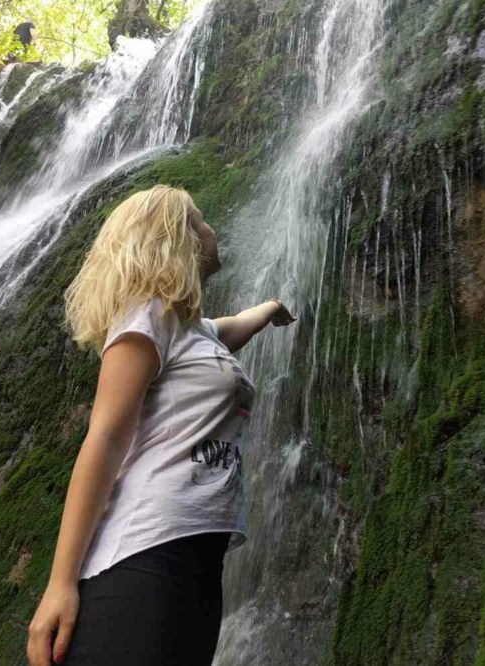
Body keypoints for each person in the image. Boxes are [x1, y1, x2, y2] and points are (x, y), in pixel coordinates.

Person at [25, 184, 297, 666]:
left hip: (197, 558)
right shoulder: (148, 314)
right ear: (178, 234)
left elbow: (235, 325)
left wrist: (271, 308)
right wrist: (60, 584)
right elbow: (105, 438)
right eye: (201, 218)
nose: (211, 228)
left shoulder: (194, 332)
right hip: (145, 552)